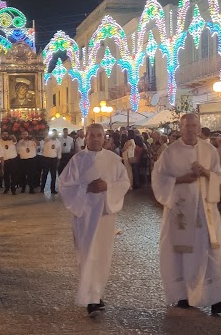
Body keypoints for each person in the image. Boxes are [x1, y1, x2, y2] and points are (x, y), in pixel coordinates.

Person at [151, 113, 221, 315]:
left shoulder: (209, 150)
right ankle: (183, 295)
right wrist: (179, 179)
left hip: (206, 212)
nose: (190, 129)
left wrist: (205, 172)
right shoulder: (170, 152)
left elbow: (219, 175)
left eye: (194, 125)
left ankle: (216, 299)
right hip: (181, 213)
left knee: (211, 252)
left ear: (199, 127)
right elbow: (158, 178)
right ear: (181, 128)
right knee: (182, 253)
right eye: (186, 126)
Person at [58, 123, 129, 316]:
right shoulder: (77, 160)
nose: (96, 139)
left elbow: (124, 182)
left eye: (99, 135)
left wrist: (107, 186)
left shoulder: (113, 160)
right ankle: (91, 297)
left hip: (105, 216)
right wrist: (85, 188)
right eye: (92, 135)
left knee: (103, 254)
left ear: (104, 137)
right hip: (85, 216)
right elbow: (64, 185)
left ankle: (97, 294)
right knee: (87, 254)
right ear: (86, 137)